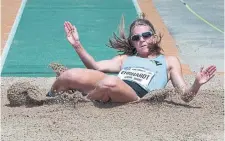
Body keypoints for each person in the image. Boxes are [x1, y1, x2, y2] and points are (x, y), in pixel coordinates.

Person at [47, 14, 216, 103]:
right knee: (70, 75)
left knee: (110, 83)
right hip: (110, 83)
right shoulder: (125, 59)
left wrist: (197, 84)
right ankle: (49, 99)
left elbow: (185, 96)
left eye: (146, 35)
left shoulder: (169, 61)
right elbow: (95, 66)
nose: (141, 39)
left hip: (135, 94)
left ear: (154, 38)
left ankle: (83, 98)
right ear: (133, 43)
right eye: (136, 38)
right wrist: (77, 45)